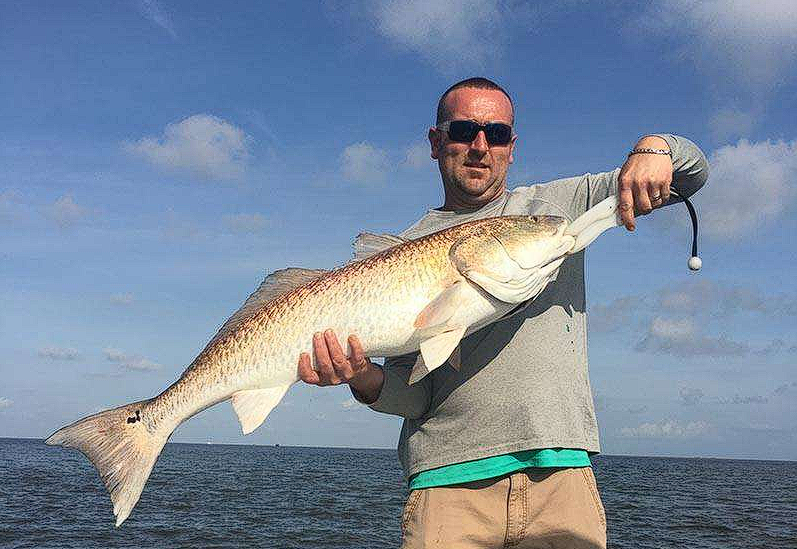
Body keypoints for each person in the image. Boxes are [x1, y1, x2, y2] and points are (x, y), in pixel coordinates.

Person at [297, 77, 708, 548]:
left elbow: (693, 173)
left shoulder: (558, 210)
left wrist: (654, 149)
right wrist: (361, 377)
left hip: (561, 481)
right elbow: (415, 397)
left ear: (511, 146)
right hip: (446, 487)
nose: (479, 146)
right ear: (436, 142)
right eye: (462, 130)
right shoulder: (402, 252)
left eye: (495, 133)